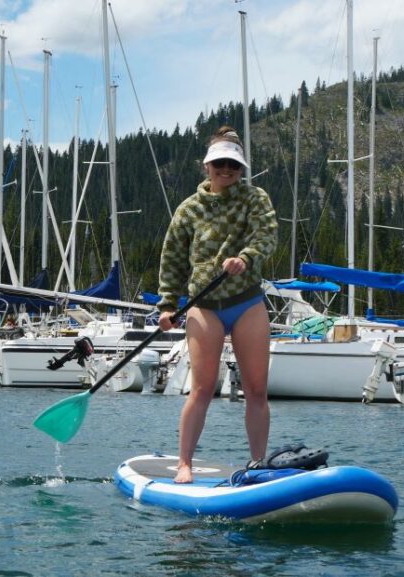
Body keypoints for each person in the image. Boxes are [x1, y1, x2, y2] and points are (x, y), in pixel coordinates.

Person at [157, 126, 279, 484]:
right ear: (207, 167)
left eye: (233, 165)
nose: (226, 170)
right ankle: (184, 464)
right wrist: (167, 304)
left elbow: (267, 235)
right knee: (202, 388)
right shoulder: (189, 210)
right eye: (219, 164)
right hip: (204, 306)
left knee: (256, 389)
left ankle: (258, 463)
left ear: (241, 168)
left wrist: (247, 257)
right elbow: (173, 258)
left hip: (246, 302)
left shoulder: (255, 198)